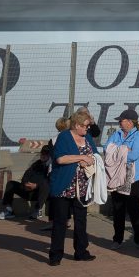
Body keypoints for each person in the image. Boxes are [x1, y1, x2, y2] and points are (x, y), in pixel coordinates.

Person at [47, 109, 98, 266]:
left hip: (81, 186)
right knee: (60, 222)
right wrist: (81, 157)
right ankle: (55, 255)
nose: (87, 128)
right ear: (76, 125)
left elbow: (95, 155)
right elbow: (60, 159)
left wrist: (90, 160)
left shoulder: (87, 137)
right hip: (64, 186)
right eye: (85, 126)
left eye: (88, 126)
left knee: (81, 220)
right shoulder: (64, 137)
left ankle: (81, 251)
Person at [106, 108, 139, 250]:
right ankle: (117, 239)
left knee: (134, 208)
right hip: (116, 176)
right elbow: (107, 151)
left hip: (133, 178)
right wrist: (124, 150)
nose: (119, 123)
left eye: (121, 120)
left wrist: (117, 151)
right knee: (118, 208)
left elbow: (134, 155)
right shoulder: (115, 134)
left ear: (130, 122)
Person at [0, 144, 51, 220]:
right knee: (11, 184)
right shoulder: (36, 164)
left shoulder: (51, 166)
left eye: (46, 154)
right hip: (28, 190)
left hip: (40, 193)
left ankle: (38, 210)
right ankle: (9, 211)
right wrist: (25, 184)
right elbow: (26, 175)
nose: (43, 156)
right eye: (42, 154)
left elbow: (50, 180)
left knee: (45, 184)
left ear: (50, 155)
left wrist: (36, 185)